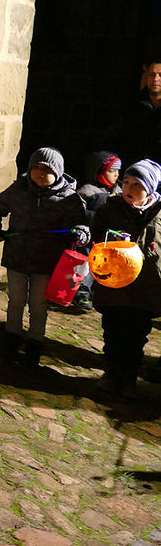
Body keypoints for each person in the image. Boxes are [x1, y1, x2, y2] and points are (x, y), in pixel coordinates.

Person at [0, 147, 89, 366]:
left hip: (46, 262)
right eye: (36, 168)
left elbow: (82, 225)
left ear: (58, 172)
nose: (40, 173)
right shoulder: (18, 190)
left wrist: (80, 233)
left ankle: (35, 341)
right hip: (17, 258)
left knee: (39, 304)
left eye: (47, 169)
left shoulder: (69, 199)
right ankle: (12, 336)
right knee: (16, 300)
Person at [90, 159, 161, 399]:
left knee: (137, 335)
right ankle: (111, 373)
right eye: (126, 182)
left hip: (146, 287)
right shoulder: (111, 208)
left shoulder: (159, 214)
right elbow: (96, 232)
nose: (128, 189)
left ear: (150, 189)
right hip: (115, 285)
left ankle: (129, 377)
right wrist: (110, 239)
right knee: (112, 330)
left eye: (136, 184)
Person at [74, 151, 122, 310]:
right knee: (86, 263)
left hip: (107, 239)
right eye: (111, 171)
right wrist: (95, 217)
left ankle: (95, 291)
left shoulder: (119, 192)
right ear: (99, 171)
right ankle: (81, 291)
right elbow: (77, 212)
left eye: (117, 171)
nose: (115, 174)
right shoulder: (88, 191)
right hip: (89, 236)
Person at [105, 57, 161, 166]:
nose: (155, 78)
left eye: (160, 74)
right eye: (152, 74)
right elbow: (116, 137)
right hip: (133, 168)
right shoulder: (130, 106)